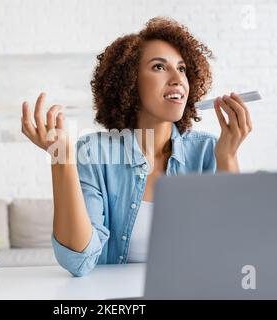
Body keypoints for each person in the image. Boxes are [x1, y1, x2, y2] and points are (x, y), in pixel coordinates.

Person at [20, 17, 252, 276]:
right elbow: (79, 261)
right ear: (129, 82)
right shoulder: (94, 153)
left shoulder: (208, 152)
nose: (178, 79)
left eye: (183, 69)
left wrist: (228, 158)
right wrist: (61, 159)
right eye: (159, 67)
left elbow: (233, 253)